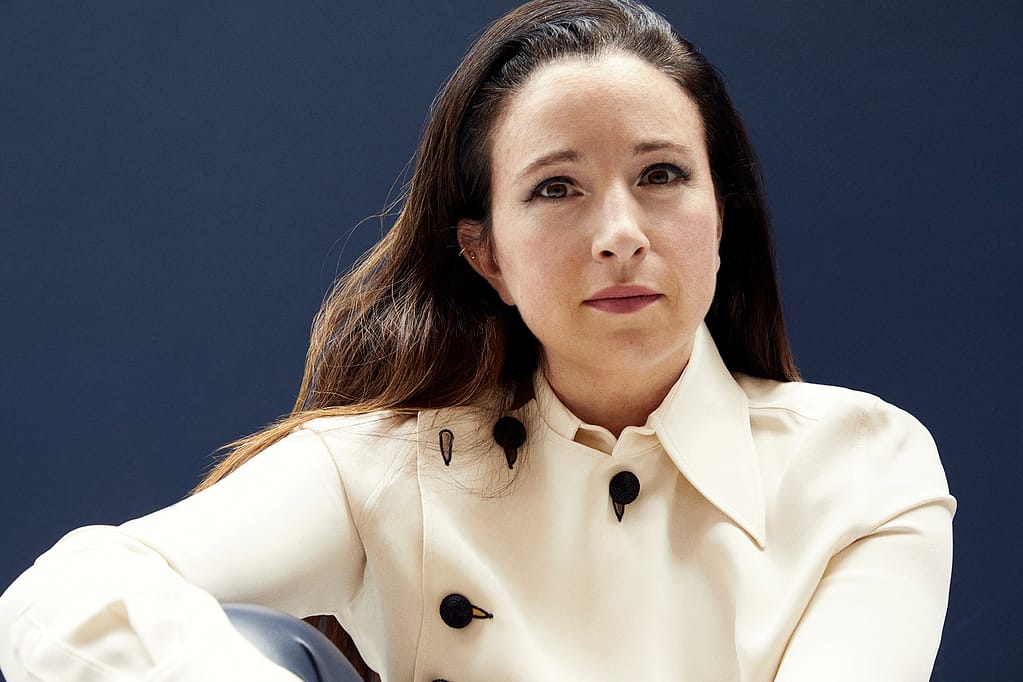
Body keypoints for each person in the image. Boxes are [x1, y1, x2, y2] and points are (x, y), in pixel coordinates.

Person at [0, 0, 955, 680]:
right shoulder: (387, 469)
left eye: (661, 174)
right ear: (486, 255)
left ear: (721, 218)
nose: (619, 233)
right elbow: (58, 602)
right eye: (556, 187)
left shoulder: (863, 467)